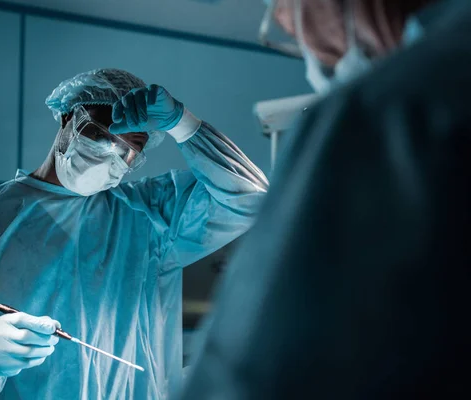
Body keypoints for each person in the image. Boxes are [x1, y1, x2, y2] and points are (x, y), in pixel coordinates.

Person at [0, 68, 269, 399]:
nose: (114, 155)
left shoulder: (149, 216)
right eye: (103, 134)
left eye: (131, 150)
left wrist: (182, 123)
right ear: (69, 118)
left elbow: (251, 199)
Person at [182, 0, 471, 398]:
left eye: (284, 14)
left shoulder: (386, 112)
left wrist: (181, 125)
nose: (299, 40)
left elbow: (256, 376)